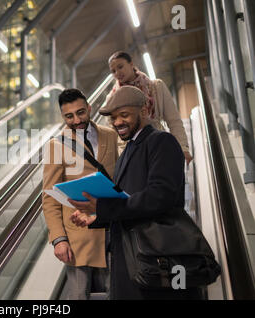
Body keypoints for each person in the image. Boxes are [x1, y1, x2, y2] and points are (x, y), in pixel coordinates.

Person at [69, 86, 201, 300]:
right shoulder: (127, 152)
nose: (117, 122)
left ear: (144, 110)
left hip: (155, 256)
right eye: (113, 117)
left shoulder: (161, 142)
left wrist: (102, 207)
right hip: (131, 257)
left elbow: (161, 196)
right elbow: (125, 202)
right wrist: (96, 217)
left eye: (124, 115)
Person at [42, 88, 119, 300]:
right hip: (78, 236)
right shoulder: (56, 145)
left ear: (89, 108)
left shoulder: (110, 136)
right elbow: (49, 197)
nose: (77, 120)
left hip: (112, 228)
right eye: (69, 116)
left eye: (81, 112)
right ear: (63, 116)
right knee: (78, 296)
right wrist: (58, 239)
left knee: (119, 292)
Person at [106, 51, 193, 165]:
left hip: (158, 144)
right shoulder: (112, 98)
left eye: (120, 67)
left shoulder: (156, 87)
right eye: (113, 71)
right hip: (131, 152)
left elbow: (173, 120)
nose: (117, 72)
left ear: (131, 64)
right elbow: (113, 132)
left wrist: (183, 148)